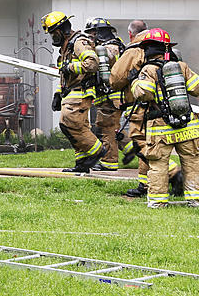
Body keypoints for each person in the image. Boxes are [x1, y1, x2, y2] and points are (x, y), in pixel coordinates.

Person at [129, 29, 199, 208]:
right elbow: (198, 88)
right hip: (187, 125)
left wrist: (134, 82)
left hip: (161, 127)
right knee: (192, 162)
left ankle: (158, 202)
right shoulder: (181, 66)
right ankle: (195, 201)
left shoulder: (149, 69)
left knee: (158, 164)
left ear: (147, 49)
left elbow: (144, 94)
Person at [111, 26, 183, 197]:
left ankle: (174, 173)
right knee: (151, 142)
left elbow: (116, 78)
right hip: (165, 109)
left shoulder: (134, 51)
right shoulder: (171, 54)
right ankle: (145, 184)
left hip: (141, 105)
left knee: (140, 143)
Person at [41, 11, 106, 173]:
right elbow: (64, 75)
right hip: (70, 92)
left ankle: (98, 150)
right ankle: (82, 163)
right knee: (77, 127)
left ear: (61, 30)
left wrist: (70, 67)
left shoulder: (78, 42)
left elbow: (92, 64)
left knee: (68, 124)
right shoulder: (66, 46)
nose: (53, 38)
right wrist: (57, 93)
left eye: (53, 34)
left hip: (81, 91)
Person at [84, 17, 129, 171]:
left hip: (110, 97)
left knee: (106, 128)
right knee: (113, 128)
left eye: (92, 35)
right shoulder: (119, 46)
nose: (90, 39)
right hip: (113, 95)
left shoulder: (108, 49)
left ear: (99, 33)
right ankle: (132, 148)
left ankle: (109, 162)